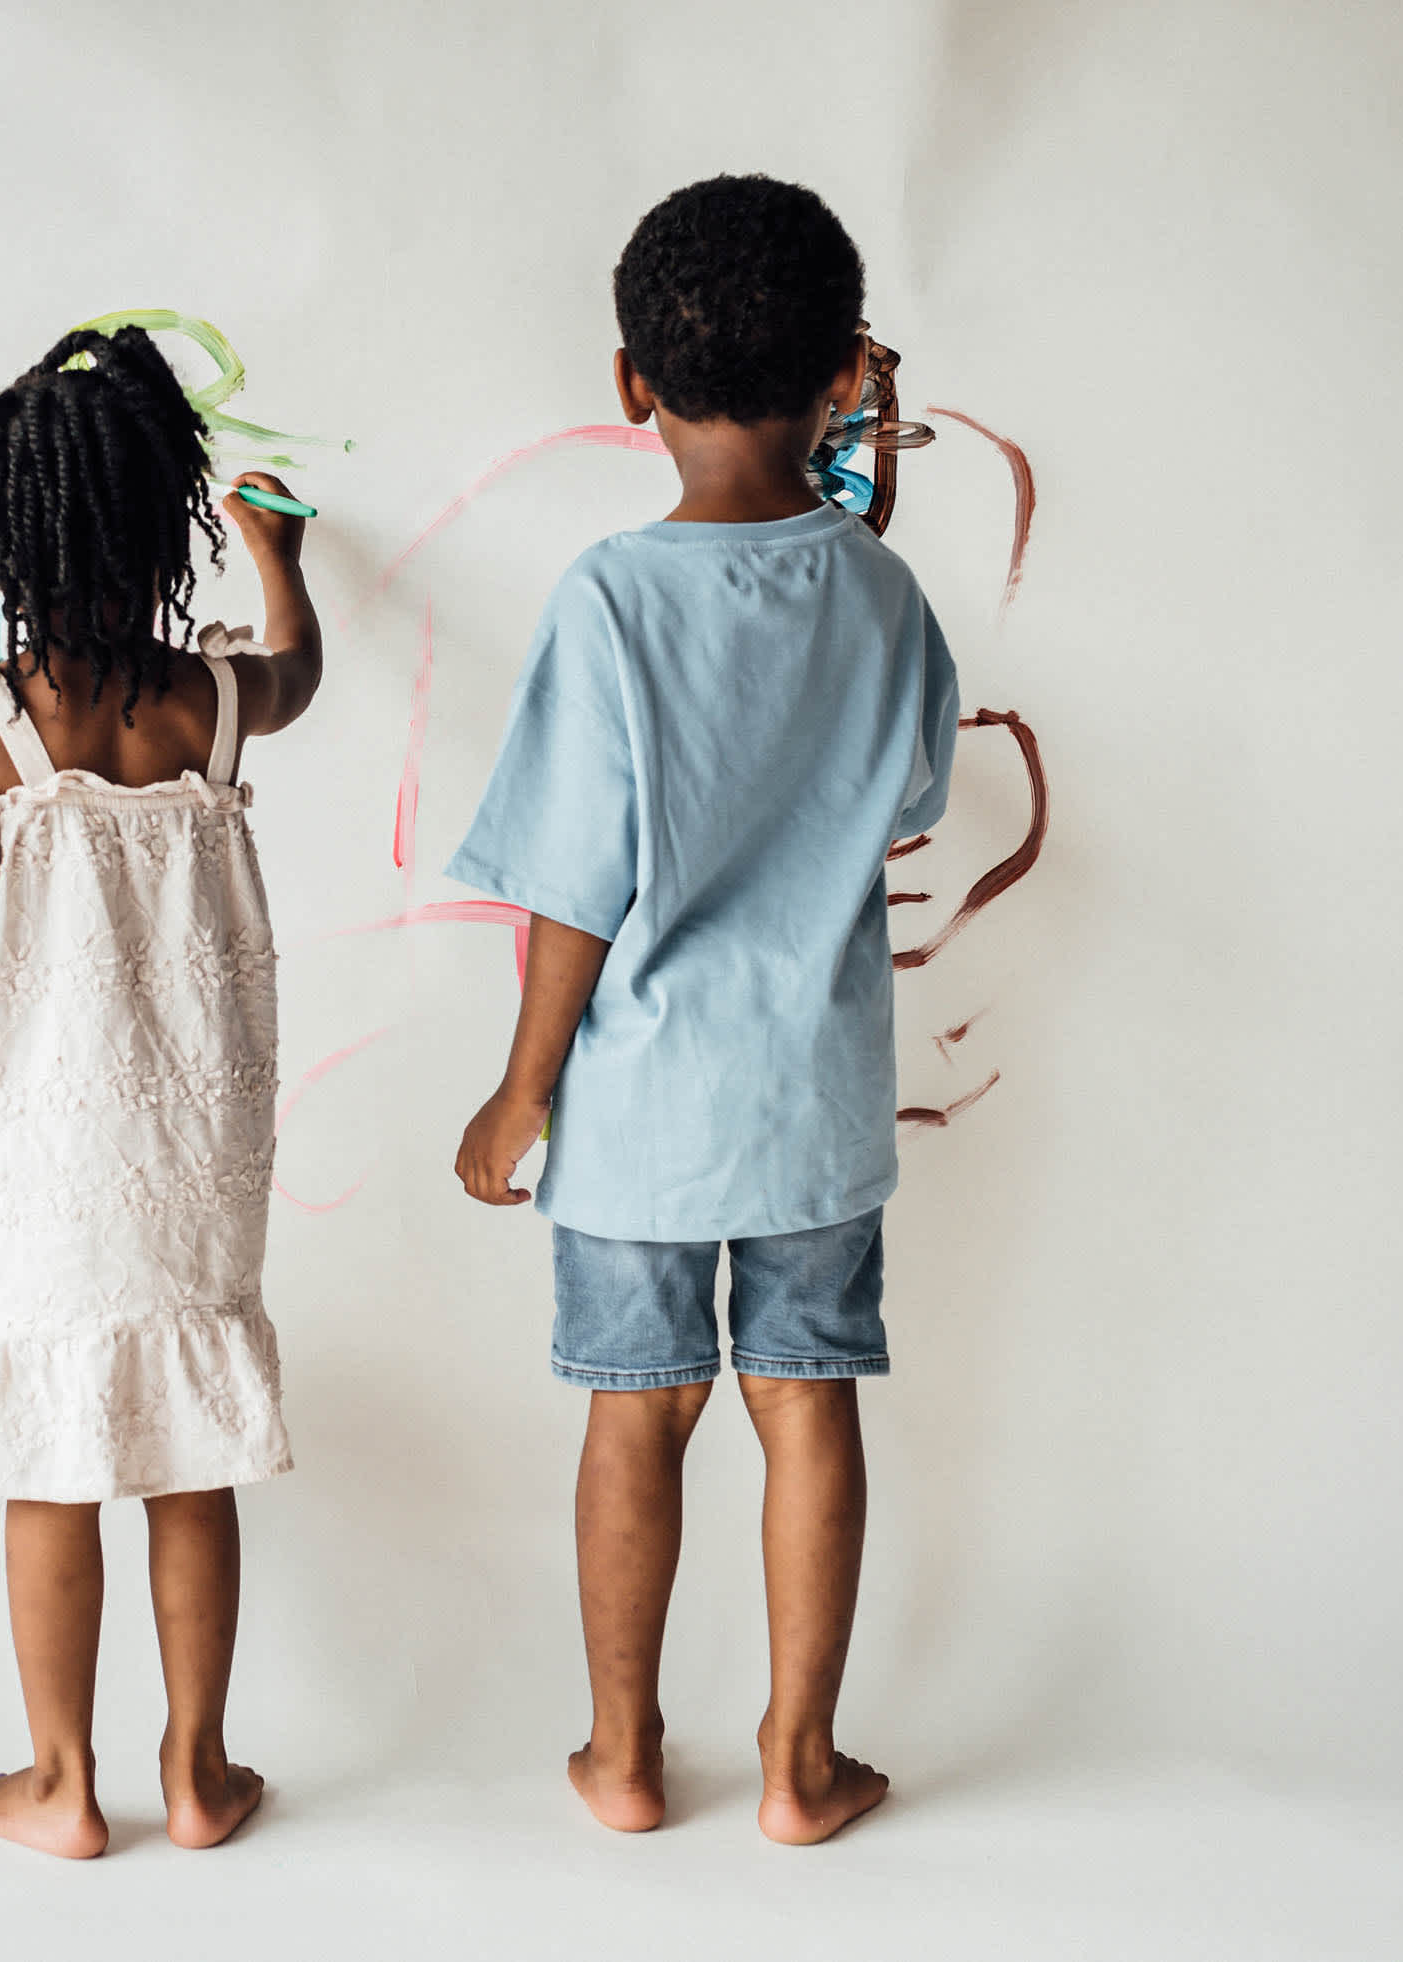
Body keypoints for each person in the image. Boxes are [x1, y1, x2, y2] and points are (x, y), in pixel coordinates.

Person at [447, 174, 960, 1846]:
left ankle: (622, 1755)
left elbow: (574, 882)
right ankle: (803, 1768)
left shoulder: (607, 600)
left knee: (637, 1403)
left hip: (639, 1107)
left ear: (627, 385)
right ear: (841, 372)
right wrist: (863, 443)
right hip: (811, 1089)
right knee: (805, 1395)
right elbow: (902, 798)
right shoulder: (882, 597)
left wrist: (518, 1089)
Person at [0, 325, 323, 1859]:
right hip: (201, 1143)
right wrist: (277, 553)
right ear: (155, 516)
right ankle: (195, 1770)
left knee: (53, 1455)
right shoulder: (218, 700)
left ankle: (61, 1783)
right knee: (185, 1446)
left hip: (51, 1144)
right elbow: (296, 665)